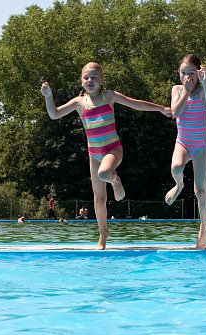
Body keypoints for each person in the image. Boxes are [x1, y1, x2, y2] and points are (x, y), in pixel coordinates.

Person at [41, 62, 171, 249]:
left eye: (94, 77)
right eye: (86, 77)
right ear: (81, 81)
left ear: (101, 80)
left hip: (112, 150)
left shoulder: (108, 96)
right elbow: (54, 114)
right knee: (99, 198)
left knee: (104, 174)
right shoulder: (79, 103)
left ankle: (116, 181)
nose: (90, 80)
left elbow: (135, 104)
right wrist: (49, 97)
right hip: (94, 155)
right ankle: (103, 234)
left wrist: (160, 108)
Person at [164, 54, 206, 250]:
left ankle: (203, 228)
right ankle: (178, 185)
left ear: (199, 73)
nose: (187, 76)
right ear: (179, 74)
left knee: (200, 191)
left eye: (191, 73)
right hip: (183, 143)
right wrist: (185, 92)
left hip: (201, 146)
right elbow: (175, 112)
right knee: (176, 167)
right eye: (184, 73)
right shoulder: (177, 90)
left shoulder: (203, 91)